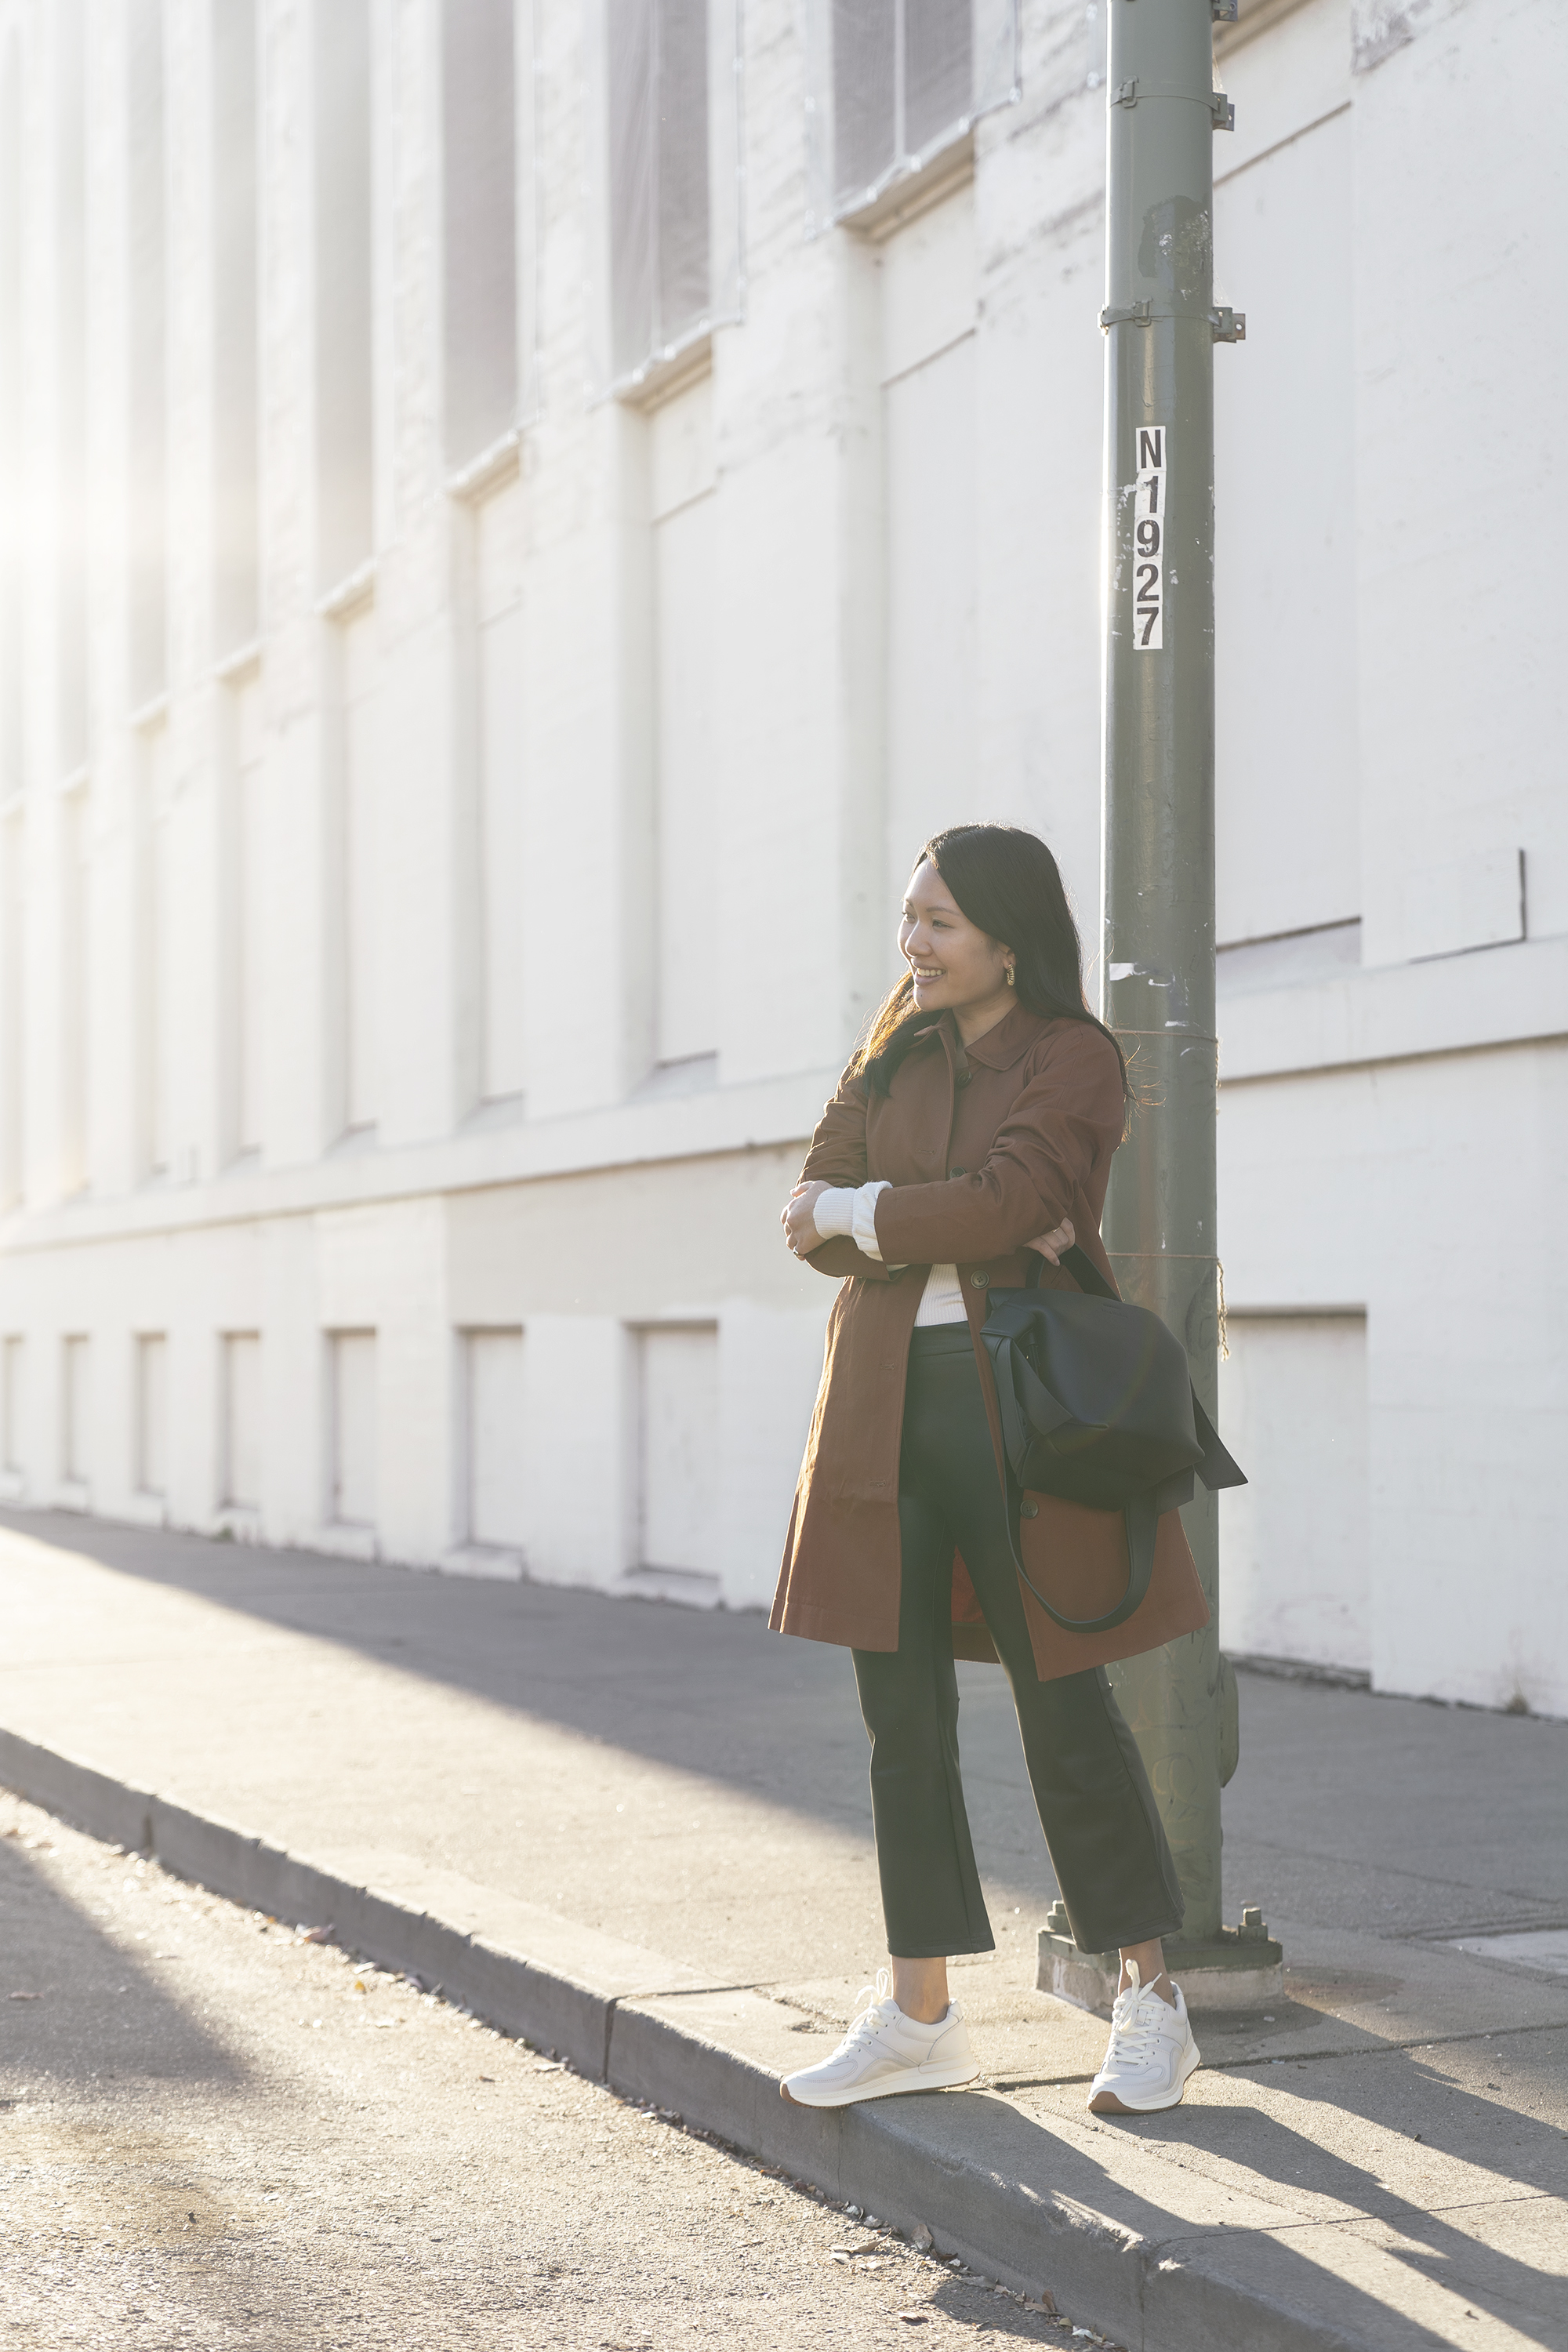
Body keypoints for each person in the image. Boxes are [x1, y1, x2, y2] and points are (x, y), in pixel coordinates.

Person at [771, 823, 1211, 2118]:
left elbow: (1012, 1202)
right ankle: (918, 2017)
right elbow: (807, 1208)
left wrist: (873, 1214)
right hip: (881, 1409)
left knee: (1065, 1709)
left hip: (1026, 1417)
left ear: (1009, 941)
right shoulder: (891, 1043)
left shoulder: (1074, 1060)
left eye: (940, 923)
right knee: (898, 1723)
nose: (911, 943)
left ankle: (1153, 2004)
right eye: (909, 917)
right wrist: (896, 1212)